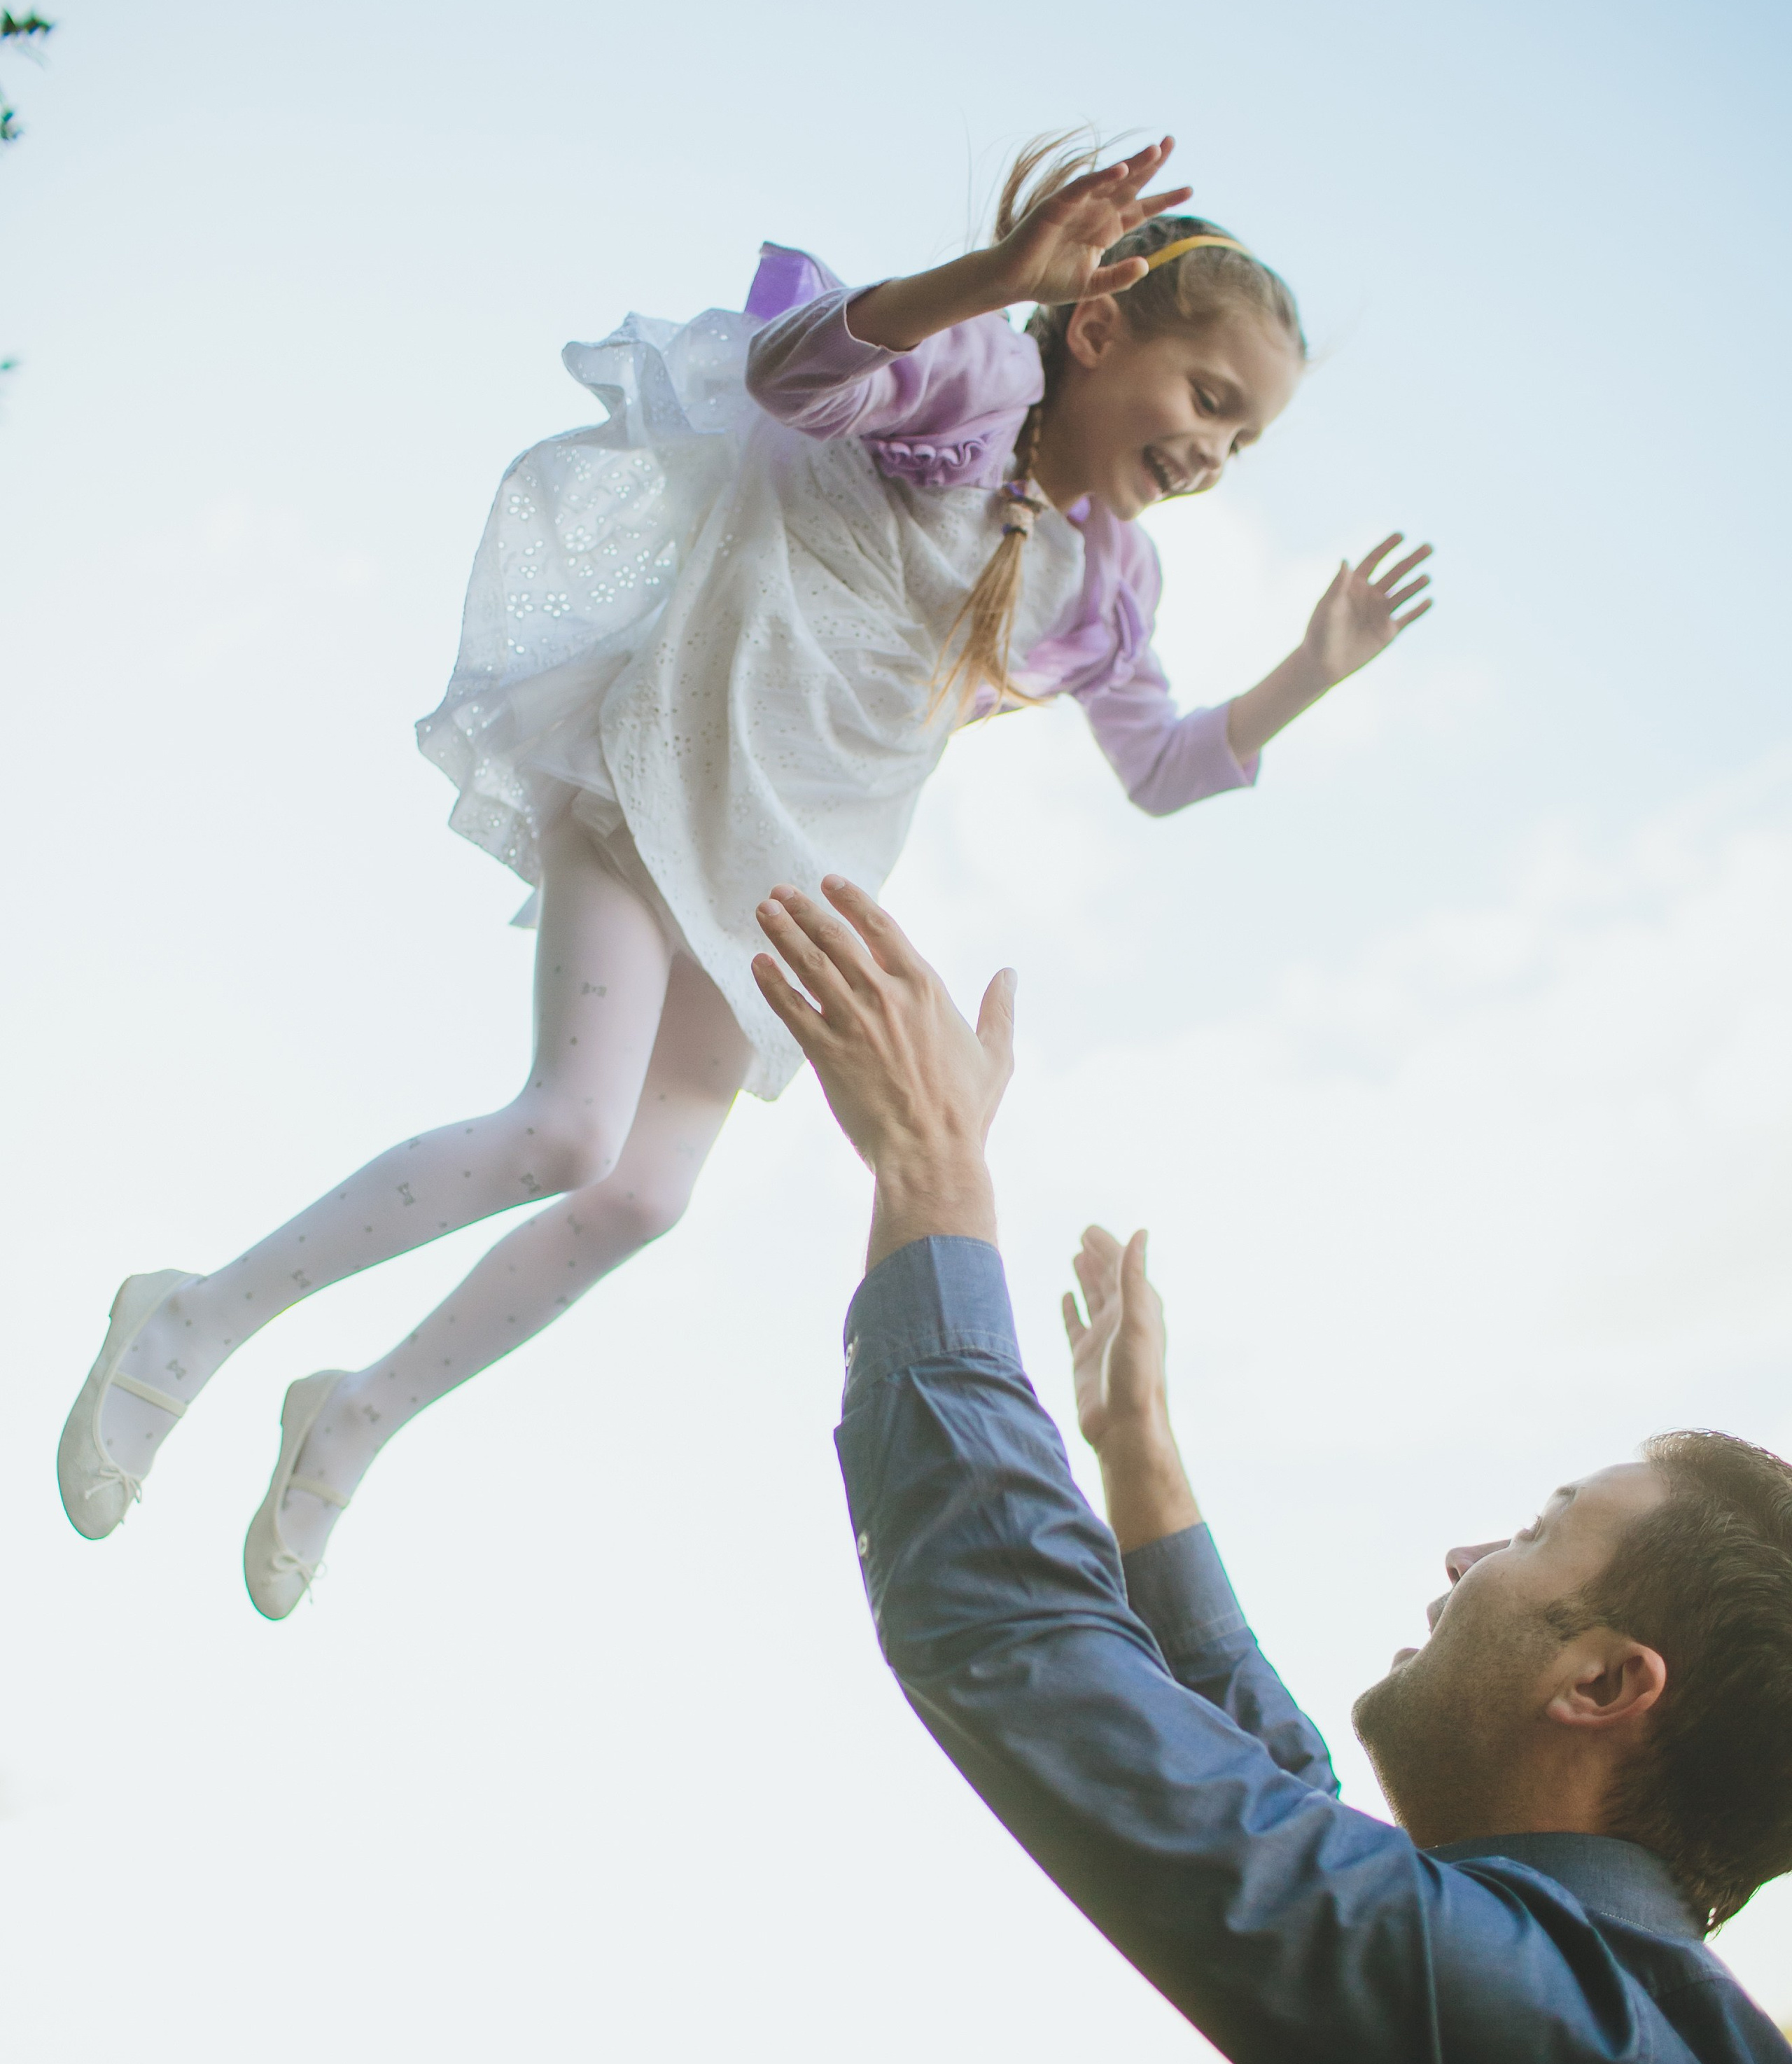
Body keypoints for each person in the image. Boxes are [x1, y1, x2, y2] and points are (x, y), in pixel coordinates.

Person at [58, 134, 1432, 1617]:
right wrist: (990, 278)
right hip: (666, 766)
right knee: (566, 1131)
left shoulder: (1106, 579)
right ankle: (191, 1317)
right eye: (1206, 399)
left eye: (1245, 440)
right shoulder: (972, 381)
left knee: (644, 1196)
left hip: (785, 878)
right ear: (1096, 328)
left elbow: (1160, 764)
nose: (1213, 451)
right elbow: (794, 375)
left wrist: (1307, 670)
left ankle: (356, 1409)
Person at [749, 874, 1792, 2064]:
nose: (1462, 1560)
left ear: (1601, 1684)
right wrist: (1140, 1468)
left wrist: (929, 1168)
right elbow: (1278, 1820)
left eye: (1532, 1532)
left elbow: (1025, 1653)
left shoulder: (1546, 2045)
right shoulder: (1574, 2025)